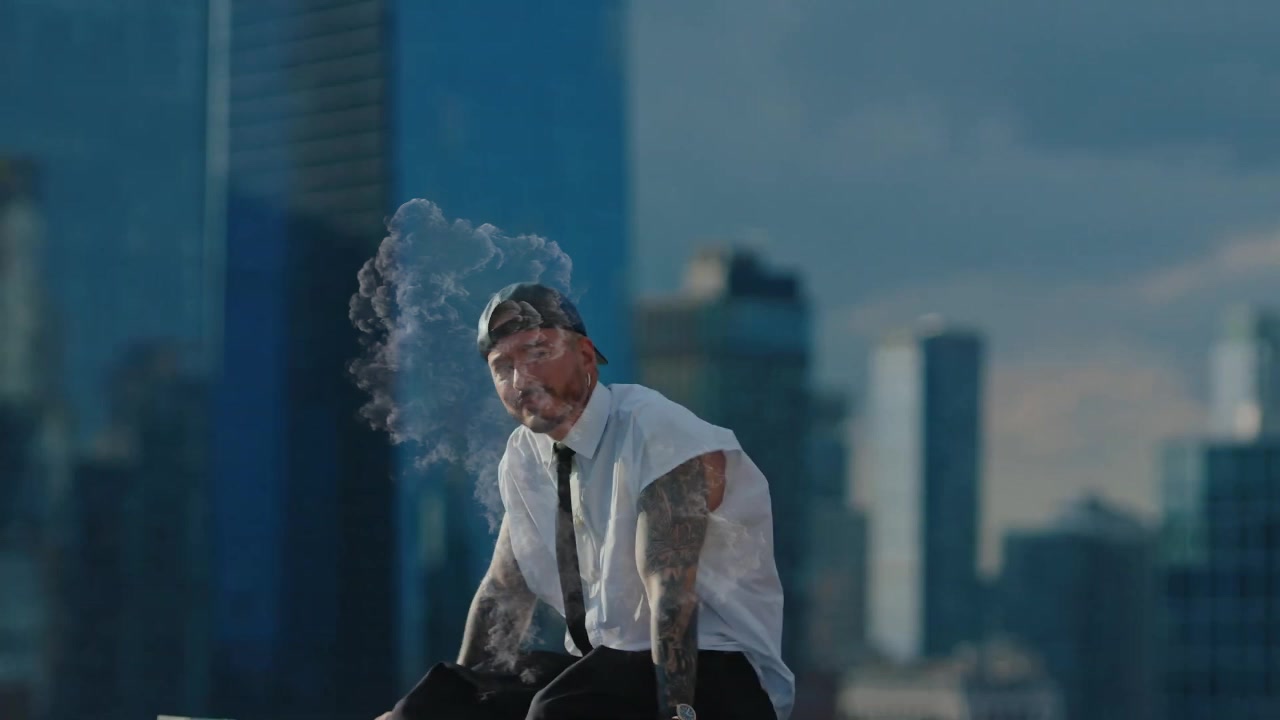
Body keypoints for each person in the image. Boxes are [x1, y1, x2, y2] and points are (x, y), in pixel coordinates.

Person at [378, 282, 793, 720]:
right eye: (503, 367)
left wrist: (680, 712)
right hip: (604, 669)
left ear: (586, 356)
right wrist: (465, 696)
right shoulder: (523, 457)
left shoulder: (656, 432)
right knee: (427, 708)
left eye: (537, 353)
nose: (520, 379)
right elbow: (503, 591)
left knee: (560, 709)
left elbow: (671, 596)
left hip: (717, 672)